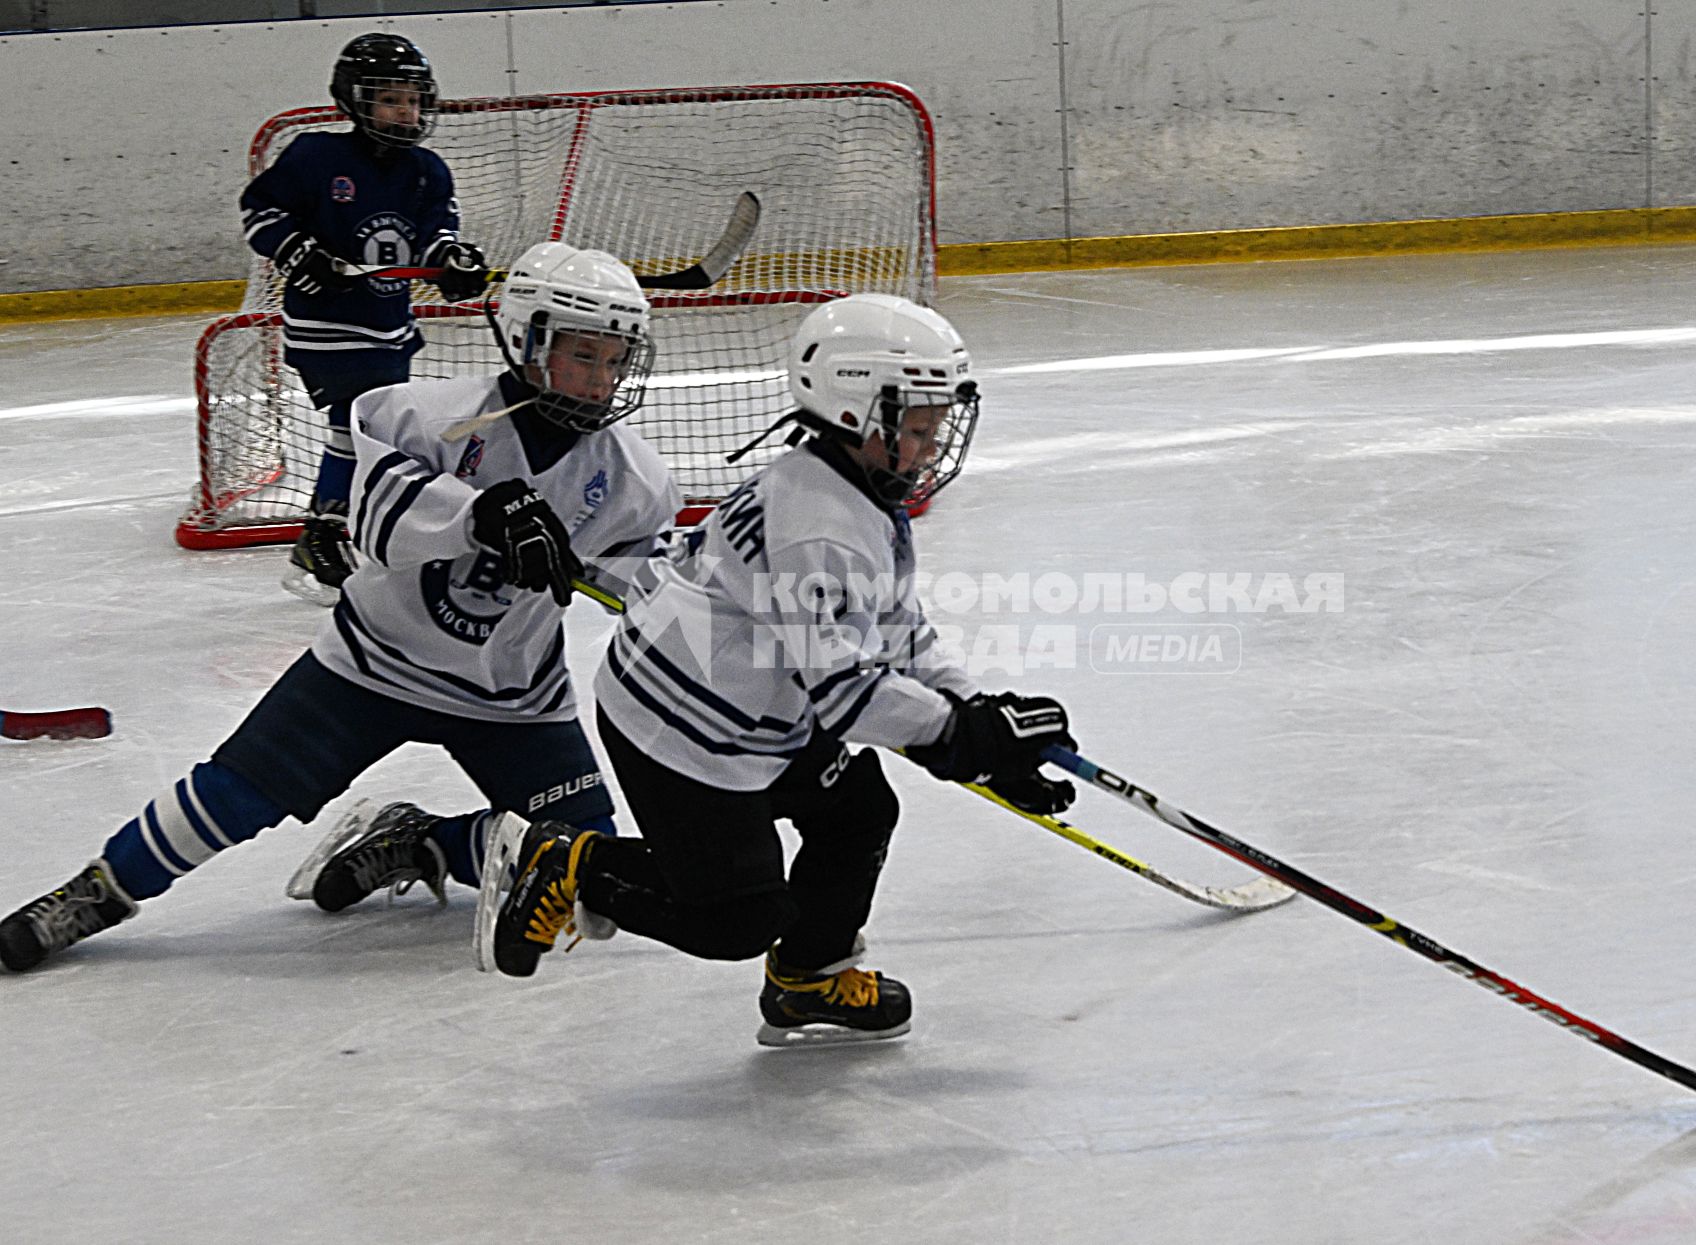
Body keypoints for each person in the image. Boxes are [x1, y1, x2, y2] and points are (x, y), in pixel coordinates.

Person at [0, 242, 679, 973]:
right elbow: (379, 521)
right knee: (231, 795)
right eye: (584, 355)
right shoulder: (422, 416)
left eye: (615, 360)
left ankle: (425, 842)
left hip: (512, 696)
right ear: (526, 340)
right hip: (371, 666)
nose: (602, 380)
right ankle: (98, 890)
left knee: (587, 864)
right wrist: (482, 512)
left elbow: (649, 585)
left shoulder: (632, 477)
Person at [478, 293, 1079, 1047]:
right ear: (859, 408)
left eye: (935, 424)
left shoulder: (853, 486)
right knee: (735, 920)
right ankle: (570, 861)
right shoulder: (818, 522)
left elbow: (896, 628)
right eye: (918, 424)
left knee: (859, 812)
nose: (932, 443)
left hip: (756, 703)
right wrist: (964, 737)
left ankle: (810, 979)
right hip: (681, 726)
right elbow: (848, 694)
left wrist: (977, 716)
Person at [241, 32, 491, 605]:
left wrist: (453, 261)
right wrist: (297, 249)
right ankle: (326, 532)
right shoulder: (315, 157)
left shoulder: (427, 171)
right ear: (355, 101)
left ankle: (341, 527)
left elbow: (436, 238)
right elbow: (260, 210)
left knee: (369, 427)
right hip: (326, 328)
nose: (406, 112)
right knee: (363, 423)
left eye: (412, 100)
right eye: (390, 99)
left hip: (389, 327)